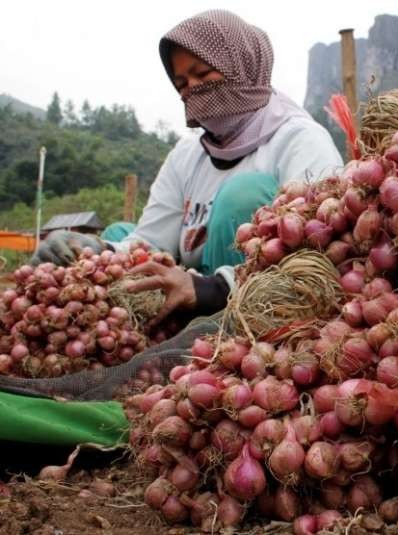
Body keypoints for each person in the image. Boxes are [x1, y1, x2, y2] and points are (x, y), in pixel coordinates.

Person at [32, 9, 342, 327]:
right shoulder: (188, 153)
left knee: (242, 194)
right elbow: (151, 240)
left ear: (243, 67)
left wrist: (211, 288)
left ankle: (228, 326)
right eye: (182, 83)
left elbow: (318, 250)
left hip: (267, 307)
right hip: (193, 290)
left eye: (203, 74)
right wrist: (98, 249)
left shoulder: (300, 140)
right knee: (116, 235)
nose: (192, 90)